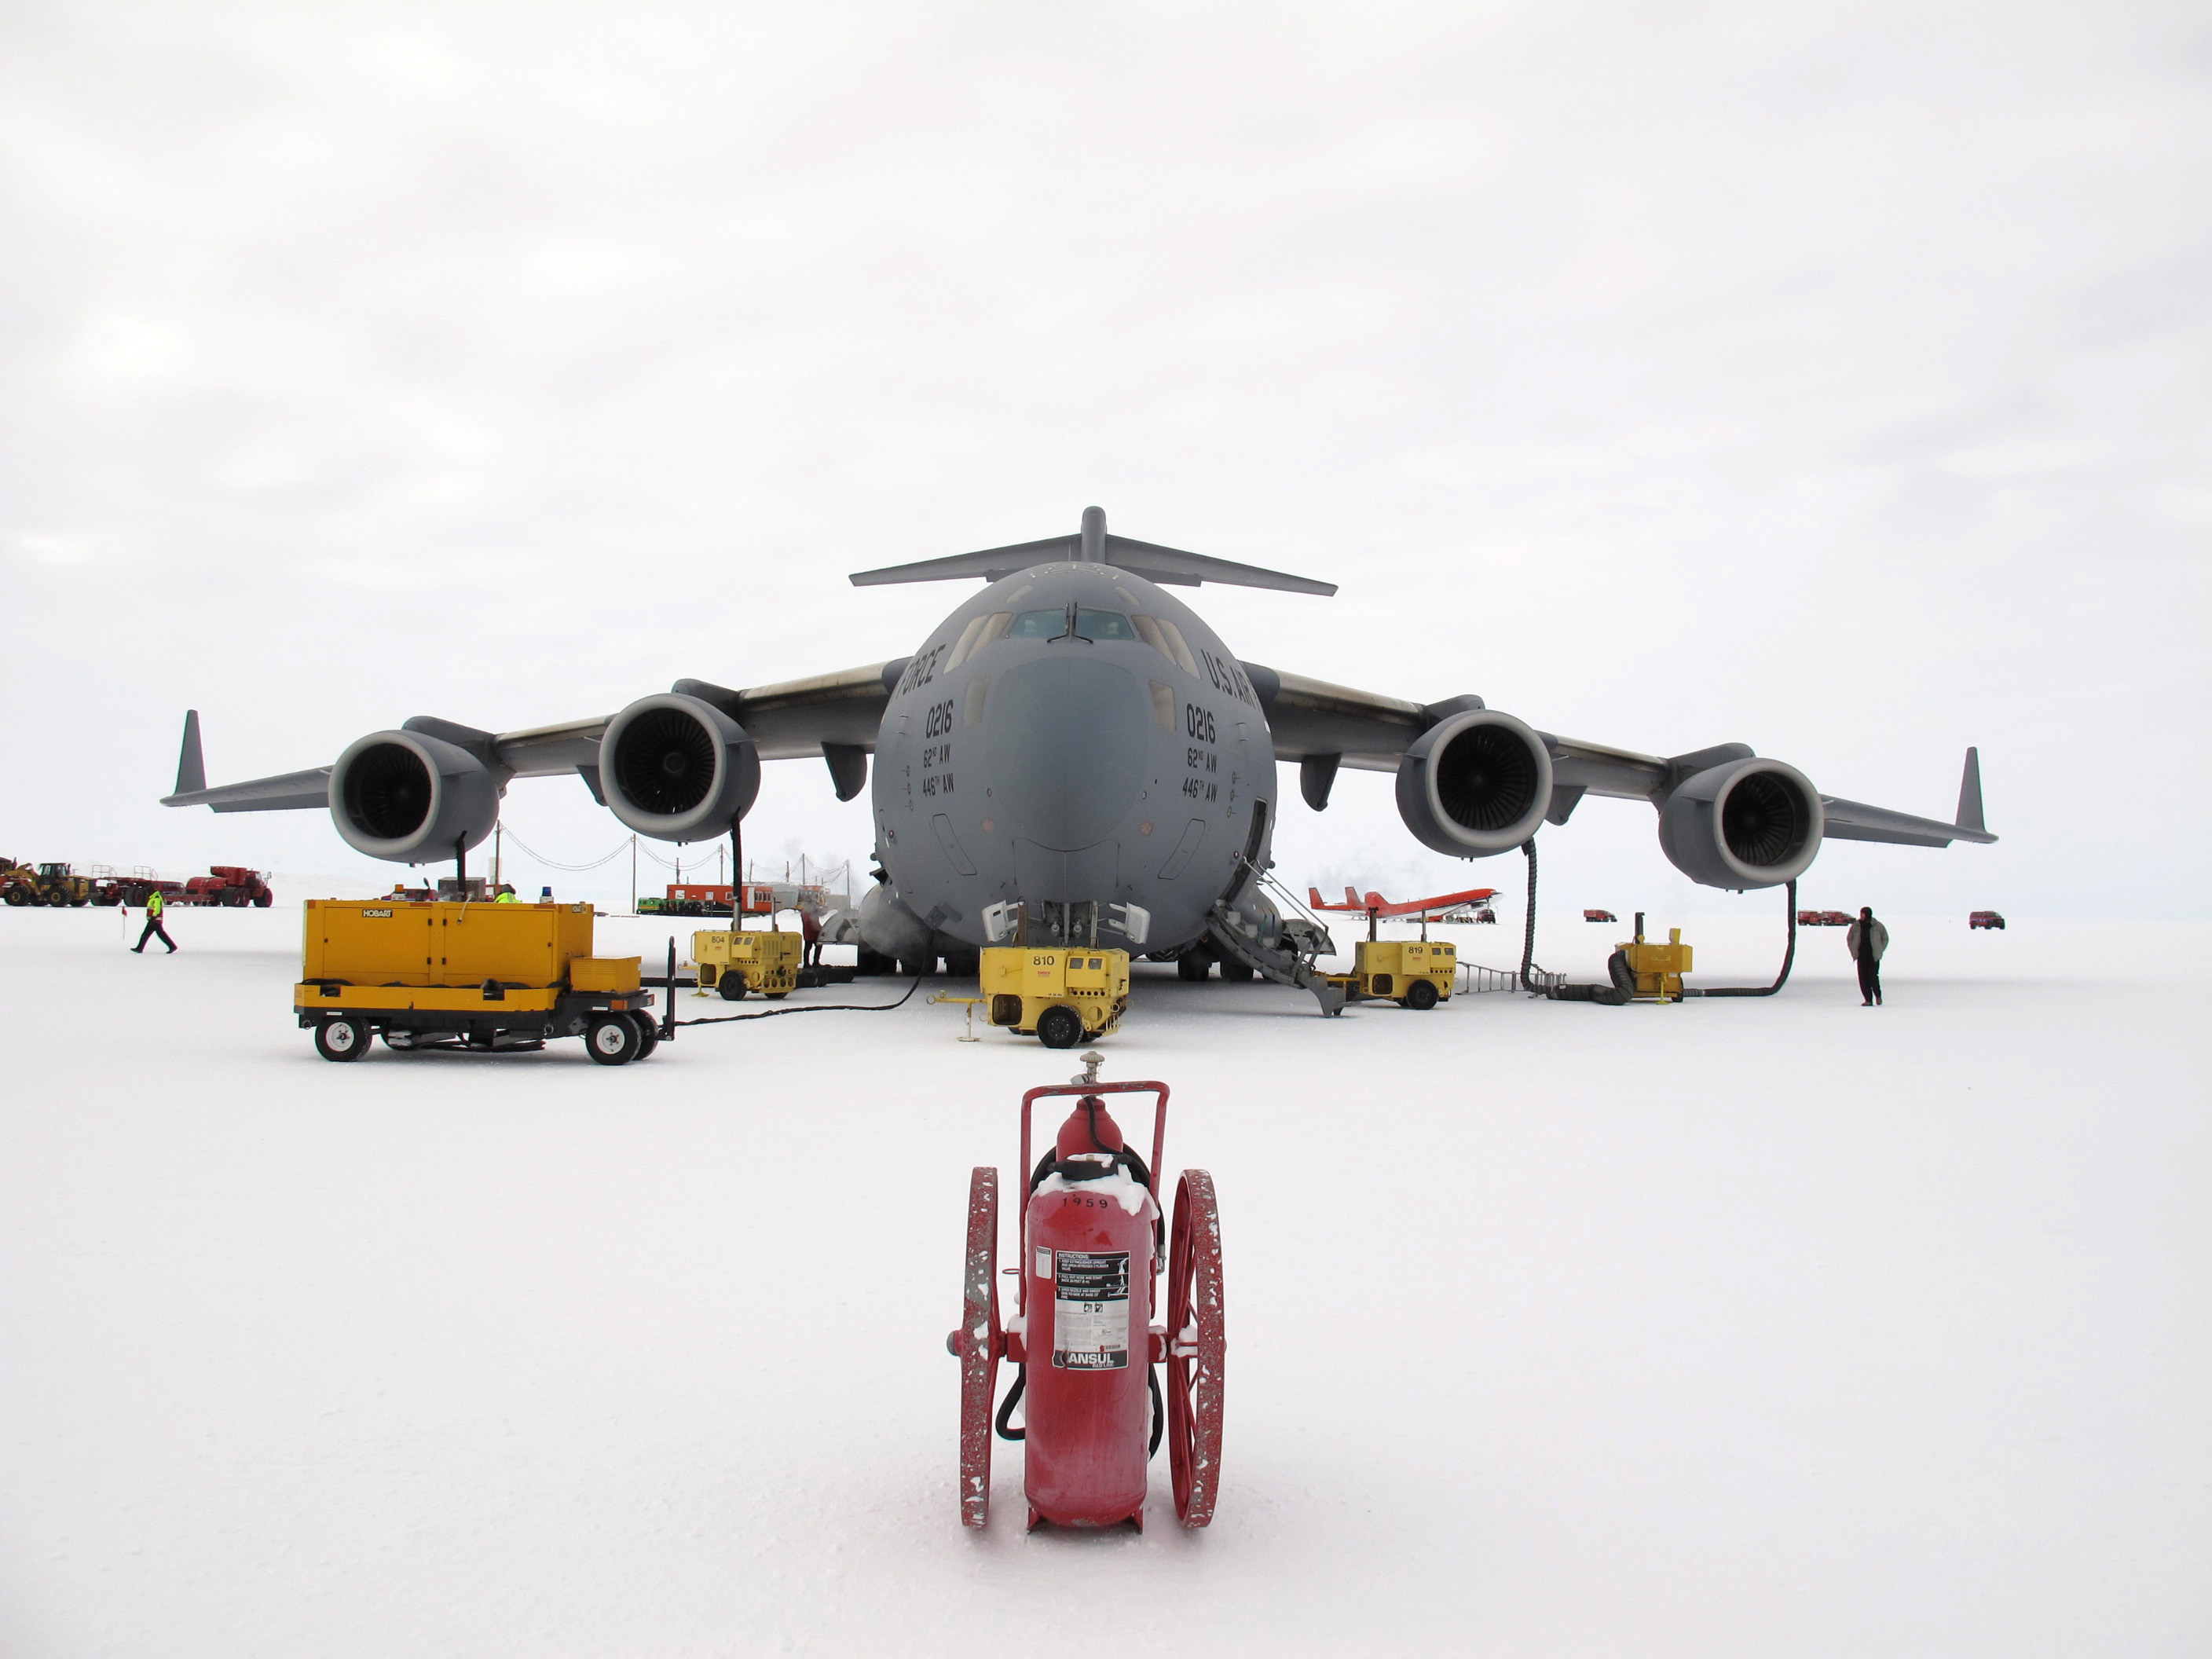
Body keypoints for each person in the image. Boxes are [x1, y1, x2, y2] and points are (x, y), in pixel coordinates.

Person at [1846, 906, 1888, 1005]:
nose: (1861, 915)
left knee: (1873, 977)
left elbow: (1885, 938)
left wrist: (1880, 950)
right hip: (1861, 955)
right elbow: (1849, 938)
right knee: (1863, 978)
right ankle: (1868, 999)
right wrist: (1853, 949)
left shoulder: (1877, 926)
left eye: (1863, 913)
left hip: (1873, 956)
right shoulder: (1856, 926)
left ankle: (1878, 996)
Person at [133, 887, 178, 954]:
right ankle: (139, 948)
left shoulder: (156, 898)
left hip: (155, 920)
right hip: (153, 920)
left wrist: (154, 916)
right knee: (147, 934)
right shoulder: (154, 898)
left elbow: (157, 908)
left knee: (156, 934)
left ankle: (172, 946)